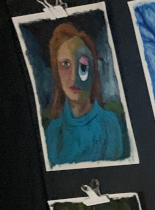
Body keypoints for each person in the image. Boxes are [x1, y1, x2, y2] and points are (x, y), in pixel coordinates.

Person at [44, 22, 125, 165]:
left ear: (93, 71)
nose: (74, 77)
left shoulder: (109, 125)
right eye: (65, 64)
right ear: (56, 72)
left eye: (83, 66)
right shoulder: (54, 131)